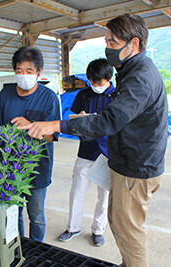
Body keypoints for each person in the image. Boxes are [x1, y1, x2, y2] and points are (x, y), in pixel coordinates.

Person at [20, 14, 168, 267]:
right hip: (125, 162)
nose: (107, 48)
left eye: (112, 43)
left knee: (130, 233)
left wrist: (56, 124)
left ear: (133, 44)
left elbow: (109, 121)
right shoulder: (131, 71)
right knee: (120, 224)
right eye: (107, 42)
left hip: (136, 168)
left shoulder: (140, 77)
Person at [0, 46, 61, 242]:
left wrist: (31, 126)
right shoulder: (5, 95)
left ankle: (36, 249)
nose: (23, 75)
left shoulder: (48, 98)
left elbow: (51, 135)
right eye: (19, 71)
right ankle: (19, 247)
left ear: (39, 72)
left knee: (36, 215)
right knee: (15, 213)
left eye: (29, 71)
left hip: (38, 168)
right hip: (11, 167)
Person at [58, 59, 115, 247]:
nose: (95, 86)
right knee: (77, 190)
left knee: (104, 195)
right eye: (92, 82)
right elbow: (73, 118)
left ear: (108, 79)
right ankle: (73, 227)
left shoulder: (117, 95)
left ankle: (98, 230)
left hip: (108, 152)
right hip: (86, 150)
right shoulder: (83, 94)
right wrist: (80, 117)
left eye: (98, 82)